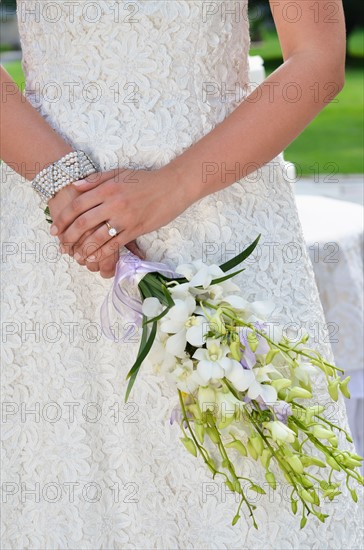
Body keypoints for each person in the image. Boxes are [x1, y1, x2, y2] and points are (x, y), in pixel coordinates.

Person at [1, 1, 362, 548]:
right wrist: (67, 190)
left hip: (222, 213)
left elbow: (318, 56)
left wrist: (172, 187)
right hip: (57, 229)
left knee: (247, 481)